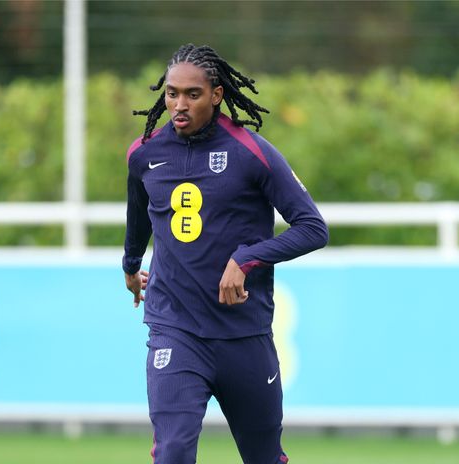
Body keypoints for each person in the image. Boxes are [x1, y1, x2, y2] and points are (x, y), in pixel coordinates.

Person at [122, 44, 328, 464]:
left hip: (243, 335)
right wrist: (130, 265)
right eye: (172, 94)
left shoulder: (251, 152)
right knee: (173, 452)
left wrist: (246, 259)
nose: (179, 105)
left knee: (264, 457)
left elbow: (313, 228)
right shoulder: (144, 154)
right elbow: (139, 217)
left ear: (216, 95)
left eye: (192, 95)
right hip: (175, 329)